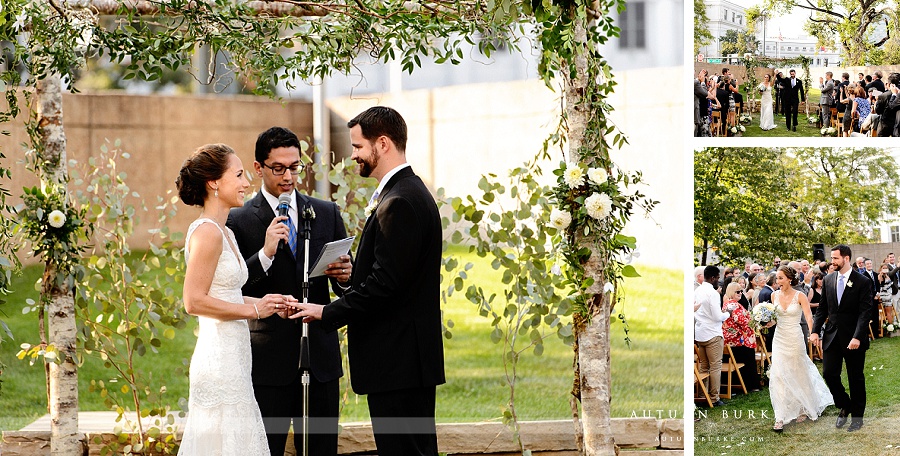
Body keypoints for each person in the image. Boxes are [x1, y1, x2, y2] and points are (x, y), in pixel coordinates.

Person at [292, 106, 445, 455]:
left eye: (359, 147)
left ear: (383, 143)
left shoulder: (399, 203)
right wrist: (350, 276)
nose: (354, 155)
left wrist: (325, 313)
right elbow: (392, 277)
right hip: (406, 361)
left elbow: (384, 288)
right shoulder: (410, 192)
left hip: (398, 361)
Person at [226, 127, 353, 456]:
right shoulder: (238, 220)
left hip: (320, 358)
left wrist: (344, 277)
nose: (288, 176)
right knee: (266, 449)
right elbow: (232, 287)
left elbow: (346, 286)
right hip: (268, 361)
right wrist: (265, 254)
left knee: (322, 449)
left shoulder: (326, 213)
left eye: (294, 167)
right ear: (258, 168)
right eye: (278, 168)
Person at [176, 144, 296, 455]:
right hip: (218, 361)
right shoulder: (208, 233)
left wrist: (267, 303)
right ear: (214, 182)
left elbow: (224, 292)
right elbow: (194, 301)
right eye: (239, 175)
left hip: (237, 356)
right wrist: (254, 310)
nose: (246, 183)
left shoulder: (225, 232)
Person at [810, 245, 873, 432]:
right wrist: (815, 330)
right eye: (832, 258)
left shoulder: (862, 281)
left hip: (854, 338)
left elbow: (865, 312)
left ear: (846, 258)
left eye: (836, 258)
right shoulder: (828, 279)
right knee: (829, 374)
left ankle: (857, 418)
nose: (832, 261)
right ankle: (845, 404)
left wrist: (857, 337)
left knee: (856, 378)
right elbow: (822, 309)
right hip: (832, 336)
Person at [767, 266, 834, 432]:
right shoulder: (773, 295)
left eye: (781, 278)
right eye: (777, 278)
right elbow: (775, 319)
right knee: (779, 374)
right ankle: (780, 416)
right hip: (779, 338)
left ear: (789, 279)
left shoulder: (800, 296)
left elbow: (809, 317)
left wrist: (814, 334)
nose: (778, 281)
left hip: (795, 337)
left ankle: (804, 407)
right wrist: (766, 323)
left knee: (798, 371)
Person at [694, 265, 729, 407]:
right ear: (713, 277)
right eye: (718, 278)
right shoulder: (713, 293)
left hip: (700, 333)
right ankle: (714, 397)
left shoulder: (697, 290)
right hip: (713, 333)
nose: (718, 281)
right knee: (715, 366)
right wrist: (728, 314)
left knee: (703, 366)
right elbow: (717, 316)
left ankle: (703, 395)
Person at [722, 282, 760, 392]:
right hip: (738, 341)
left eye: (741, 291)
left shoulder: (727, 304)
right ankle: (751, 386)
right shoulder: (733, 305)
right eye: (737, 291)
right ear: (731, 292)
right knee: (748, 360)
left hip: (732, 340)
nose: (740, 293)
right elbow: (743, 322)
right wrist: (756, 323)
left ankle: (743, 385)